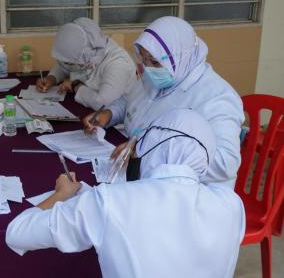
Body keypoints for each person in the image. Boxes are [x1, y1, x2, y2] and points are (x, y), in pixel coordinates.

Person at [6, 109, 245, 278]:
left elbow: (17, 233)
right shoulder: (231, 204)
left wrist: (61, 194)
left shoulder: (111, 201)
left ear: (150, 147)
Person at [83, 16, 244, 187]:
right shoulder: (159, 77)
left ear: (182, 58)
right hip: (141, 178)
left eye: (155, 62)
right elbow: (130, 100)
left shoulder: (217, 97)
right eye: (144, 59)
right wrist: (109, 114)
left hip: (191, 195)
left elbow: (226, 163)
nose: (148, 68)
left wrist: (145, 150)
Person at [36, 17, 137, 110]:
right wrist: (52, 78)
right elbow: (64, 65)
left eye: (71, 62)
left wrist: (75, 85)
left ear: (87, 55)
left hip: (113, 121)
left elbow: (104, 104)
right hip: (86, 109)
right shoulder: (88, 50)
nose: (67, 64)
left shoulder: (118, 63)